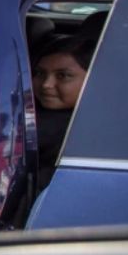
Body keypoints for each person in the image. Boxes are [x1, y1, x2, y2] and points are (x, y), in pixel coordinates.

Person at [33, 35, 93, 190]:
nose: (46, 84)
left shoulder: (74, 132)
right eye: (40, 73)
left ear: (93, 78)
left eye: (63, 75)